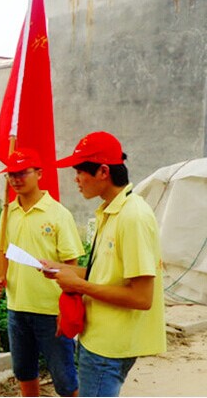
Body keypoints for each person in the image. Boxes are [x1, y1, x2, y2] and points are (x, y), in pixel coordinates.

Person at [41, 131, 166, 397]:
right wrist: (62, 269)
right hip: (98, 337)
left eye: (79, 171)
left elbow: (142, 297)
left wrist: (80, 285)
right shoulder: (111, 211)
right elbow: (108, 275)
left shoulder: (132, 217)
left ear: (103, 172)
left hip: (109, 346)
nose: (75, 179)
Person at [0, 148, 85, 397]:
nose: (16, 179)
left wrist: (66, 307)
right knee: (24, 372)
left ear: (39, 173)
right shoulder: (8, 212)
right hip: (17, 308)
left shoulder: (58, 214)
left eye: (22, 173)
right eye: (11, 174)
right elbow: (3, 253)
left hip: (50, 310)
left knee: (64, 378)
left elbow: (71, 265)